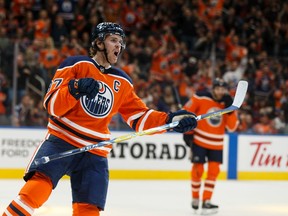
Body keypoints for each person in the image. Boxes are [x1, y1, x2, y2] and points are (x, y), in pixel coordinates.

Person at [2, 22, 198, 216]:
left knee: (88, 210)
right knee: (36, 190)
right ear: (99, 43)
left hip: (95, 152)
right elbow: (52, 106)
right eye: (113, 40)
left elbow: (140, 118)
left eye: (120, 42)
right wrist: (74, 89)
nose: (118, 46)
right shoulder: (77, 64)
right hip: (62, 140)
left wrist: (171, 120)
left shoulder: (123, 81)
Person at [182, 78, 239, 215]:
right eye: (218, 89)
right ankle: (195, 197)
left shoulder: (228, 104)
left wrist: (231, 111)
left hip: (217, 144)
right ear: (213, 88)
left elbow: (232, 128)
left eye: (223, 89)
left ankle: (206, 201)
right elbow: (185, 112)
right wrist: (188, 132)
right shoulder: (201, 97)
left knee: (213, 173)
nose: (220, 92)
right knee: (198, 170)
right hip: (199, 140)